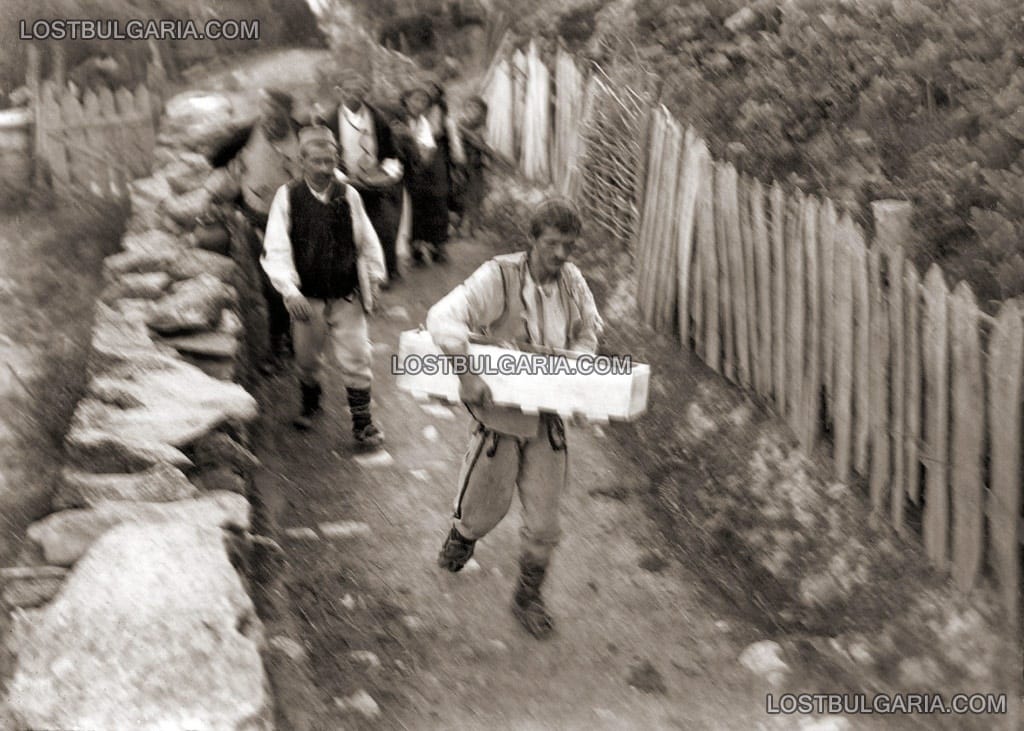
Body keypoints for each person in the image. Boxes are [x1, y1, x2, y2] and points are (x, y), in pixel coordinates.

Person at [424, 198, 604, 638]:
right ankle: (463, 535)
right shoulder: (498, 275)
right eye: (552, 244)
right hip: (500, 419)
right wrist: (466, 375)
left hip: (545, 422)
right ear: (532, 240)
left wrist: (577, 374)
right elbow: (442, 317)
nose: (561, 255)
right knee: (481, 508)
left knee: (545, 523)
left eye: (569, 245)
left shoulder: (572, 282)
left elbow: (588, 330)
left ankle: (528, 598)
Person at [261, 125, 386, 449]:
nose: (323, 169)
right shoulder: (288, 196)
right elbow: (276, 247)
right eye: (316, 162)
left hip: (347, 293)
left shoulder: (349, 195)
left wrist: (373, 277)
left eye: (329, 162)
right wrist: (289, 290)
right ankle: (310, 400)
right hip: (309, 297)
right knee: (306, 359)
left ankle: (363, 423)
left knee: (357, 354)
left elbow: (368, 241)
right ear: (302, 162)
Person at [227, 88, 301, 370]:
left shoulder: (302, 132)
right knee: (271, 285)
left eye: (274, 108)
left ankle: (293, 339)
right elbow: (220, 161)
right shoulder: (247, 132)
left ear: (286, 110)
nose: (268, 113)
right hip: (258, 217)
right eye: (265, 107)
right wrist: (237, 187)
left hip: (294, 218)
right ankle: (278, 343)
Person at [316, 68, 406, 286]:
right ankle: (350, 277)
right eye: (348, 91)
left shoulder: (378, 118)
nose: (353, 96)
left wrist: (387, 174)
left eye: (359, 92)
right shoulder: (328, 120)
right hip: (343, 181)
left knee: (383, 227)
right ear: (339, 92)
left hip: (375, 183)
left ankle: (385, 272)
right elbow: (322, 155)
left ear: (366, 93)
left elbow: (391, 154)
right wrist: (340, 177)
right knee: (345, 229)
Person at [392, 81, 462, 265]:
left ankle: (435, 245)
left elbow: (433, 146)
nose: (420, 103)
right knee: (411, 205)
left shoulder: (430, 119)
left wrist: (455, 159)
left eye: (425, 100)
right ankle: (414, 247)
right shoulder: (399, 115)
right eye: (417, 98)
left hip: (427, 163)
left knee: (436, 200)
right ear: (407, 99)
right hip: (405, 164)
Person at [450, 95, 491, 236]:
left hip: (476, 166)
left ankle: (473, 227)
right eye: (470, 108)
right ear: (465, 109)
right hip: (460, 164)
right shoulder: (459, 124)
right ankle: (458, 226)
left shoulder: (482, 127)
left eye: (477, 109)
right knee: (459, 195)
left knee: (476, 195)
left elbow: (481, 144)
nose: (473, 111)